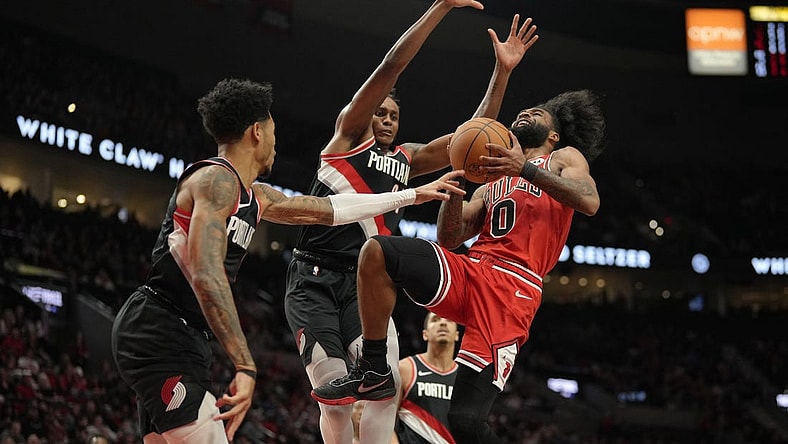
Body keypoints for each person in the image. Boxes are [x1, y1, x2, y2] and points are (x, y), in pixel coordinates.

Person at [110, 78, 465, 444]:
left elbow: (332, 209)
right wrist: (245, 364)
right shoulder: (215, 180)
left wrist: (409, 196)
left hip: (185, 335)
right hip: (161, 327)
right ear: (258, 132)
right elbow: (205, 273)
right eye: (274, 130)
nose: (278, 141)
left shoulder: (257, 196)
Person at [288, 1, 539, 442]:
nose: (385, 120)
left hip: (365, 288)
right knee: (336, 399)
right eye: (380, 113)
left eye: (393, 115)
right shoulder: (346, 138)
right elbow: (392, 66)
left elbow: (473, 136)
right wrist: (440, 7)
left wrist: (503, 72)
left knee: (384, 392)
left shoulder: (408, 159)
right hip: (314, 279)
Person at [312, 89, 606, 444]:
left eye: (538, 114)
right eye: (524, 110)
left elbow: (589, 201)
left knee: (465, 422)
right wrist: (460, 178)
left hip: (513, 290)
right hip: (471, 270)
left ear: (554, 135)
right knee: (377, 252)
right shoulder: (493, 178)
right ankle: (373, 366)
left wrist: (523, 168)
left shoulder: (563, 158)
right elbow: (449, 237)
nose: (526, 112)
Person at [392, 312, 460, 444]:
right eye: (435, 320)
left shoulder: (464, 378)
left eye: (449, 320)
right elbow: (385, 420)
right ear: (425, 334)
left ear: (457, 335)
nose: (443, 323)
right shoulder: (406, 369)